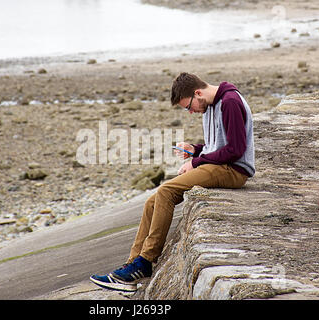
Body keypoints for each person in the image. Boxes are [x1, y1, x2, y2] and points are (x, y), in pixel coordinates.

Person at [90, 72, 255, 292]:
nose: (190, 112)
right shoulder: (210, 105)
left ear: (198, 93)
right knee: (153, 200)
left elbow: (235, 150)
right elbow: (217, 145)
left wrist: (196, 162)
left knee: (166, 190)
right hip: (218, 166)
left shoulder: (230, 102)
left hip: (233, 171)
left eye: (189, 107)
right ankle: (131, 267)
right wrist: (195, 150)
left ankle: (145, 263)